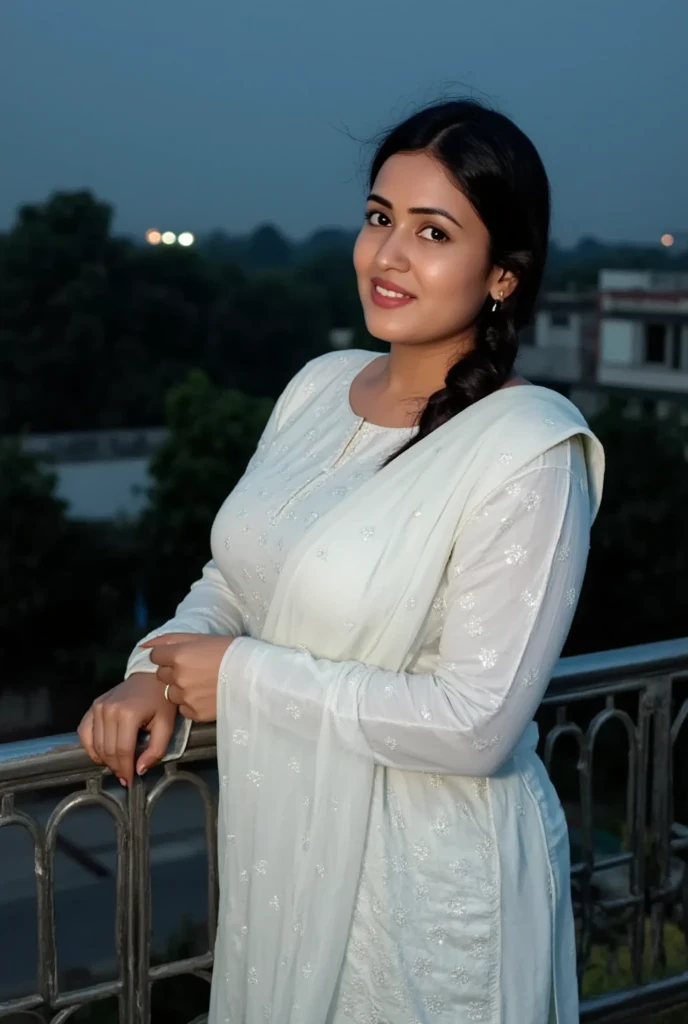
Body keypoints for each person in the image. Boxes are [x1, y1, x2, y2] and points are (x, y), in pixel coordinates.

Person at [79, 99, 604, 1023]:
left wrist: (241, 679)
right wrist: (155, 672)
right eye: (378, 218)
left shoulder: (528, 450)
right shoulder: (319, 386)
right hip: (288, 852)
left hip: (429, 894)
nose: (389, 255)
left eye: (433, 231)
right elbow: (235, 580)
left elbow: (477, 726)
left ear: (504, 276)